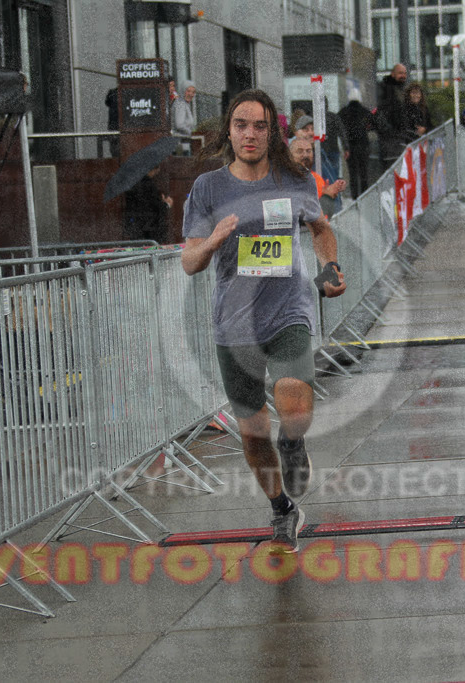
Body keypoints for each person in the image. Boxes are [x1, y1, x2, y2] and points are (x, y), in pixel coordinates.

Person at [181, 89, 346, 553]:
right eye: (240, 125)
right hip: (234, 325)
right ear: (228, 131)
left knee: (292, 399)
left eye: (259, 126)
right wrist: (212, 240)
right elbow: (189, 262)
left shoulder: (294, 179)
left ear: (271, 131)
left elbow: (320, 228)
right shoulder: (208, 188)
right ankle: (282, 509)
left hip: (287, 309)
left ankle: (293, 442)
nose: (249, 134)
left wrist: (330, 268)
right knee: (253, 436)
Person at [289, 137, 346, 218]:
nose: (305, 155)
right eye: (299, 151)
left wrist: (331, 194)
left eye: (308, 151)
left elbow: (326, 214)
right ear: (289, 155)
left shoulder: (316, 178)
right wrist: (328, 197)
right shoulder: (283, 180)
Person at [338, 88, 377, 198]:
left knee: (353, 173)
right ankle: (364, 195)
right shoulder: (365, 112)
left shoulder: (343, 112)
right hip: (363, 145)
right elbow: (374, 124)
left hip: (349, 147)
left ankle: (355, 196)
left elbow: (338, 127)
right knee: (363, 171)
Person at [124, 166, 172, 242]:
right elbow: (155, 207)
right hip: (150, 227)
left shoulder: (131, 184)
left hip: (136, 226)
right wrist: (167, 204)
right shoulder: (149, 185)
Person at [376, 63, 409, 170]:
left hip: (401, 137)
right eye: (400, 73)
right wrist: (389, 131)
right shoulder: (385, 89)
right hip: (390, 139)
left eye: (404, 73)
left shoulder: (403, 90)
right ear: (393, 74)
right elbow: (382, 112)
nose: (403, 76)